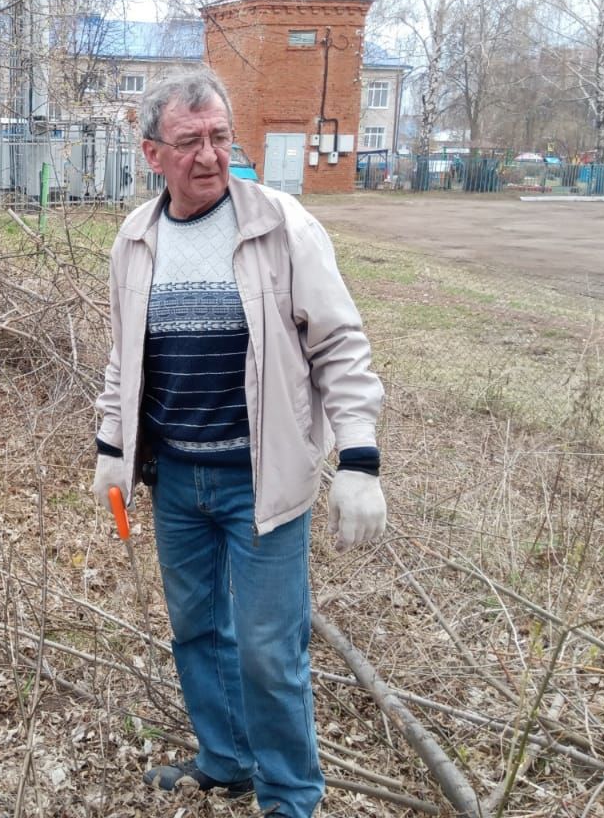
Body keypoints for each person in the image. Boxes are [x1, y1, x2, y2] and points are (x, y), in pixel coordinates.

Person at [91, 67, 387, 817]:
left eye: (221, 137)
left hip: (264, 482)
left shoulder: (282, 225)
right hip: (176, 482)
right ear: (152, 152)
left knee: (268, 651)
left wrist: (358, 458)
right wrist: (109, 446)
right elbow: (125, 355)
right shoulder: (136, 237)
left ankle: (290, 797)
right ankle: (225, 759)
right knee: (195, 630)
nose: (210, 155)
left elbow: (340, 345)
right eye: (189, 142)